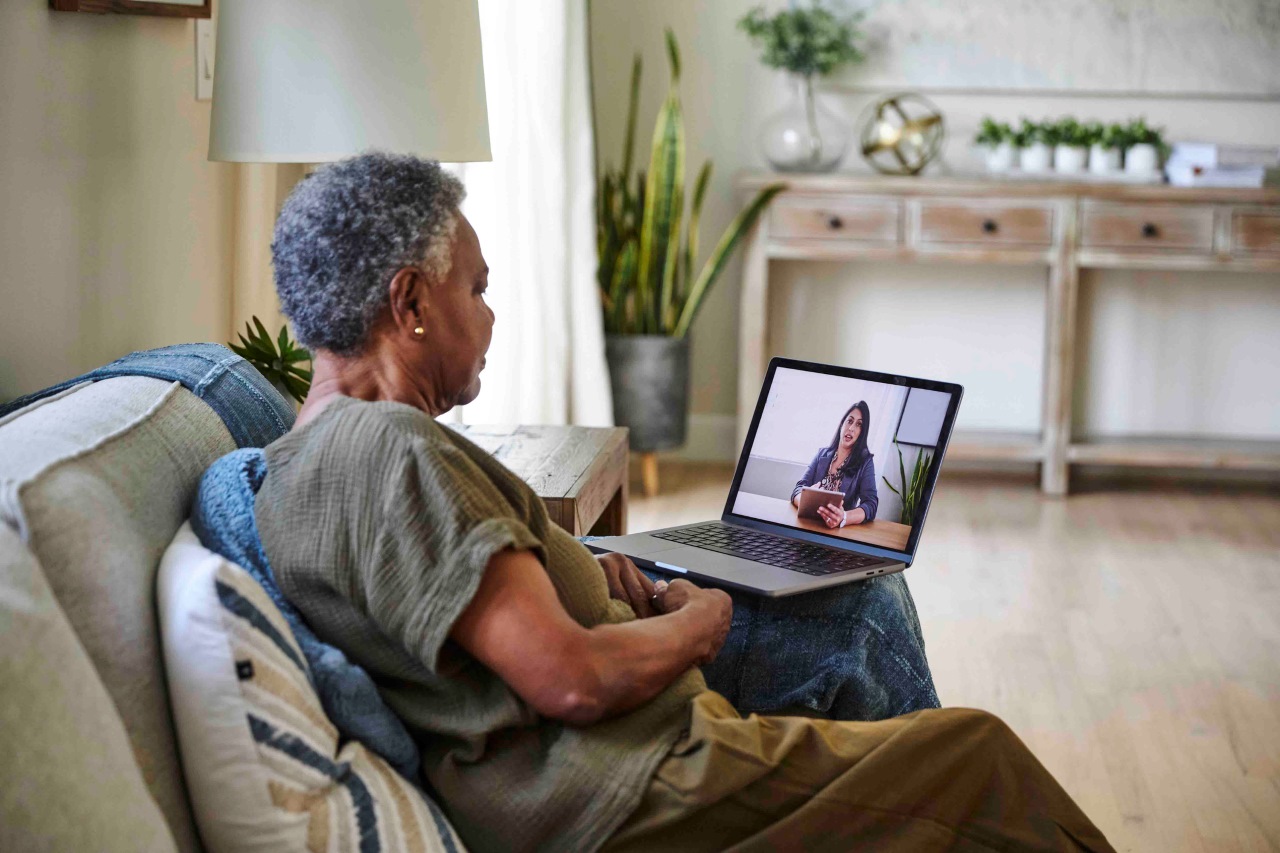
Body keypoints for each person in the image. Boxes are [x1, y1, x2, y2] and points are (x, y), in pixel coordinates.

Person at [252, 153, 1113, 852]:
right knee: (976, 753)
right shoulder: (388, 450)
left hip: (620, 758)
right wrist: (701, 619)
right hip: (632, 784)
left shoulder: (308, 449)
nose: (490, 316)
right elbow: (574, 682)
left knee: (857, 606)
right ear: (409, 303)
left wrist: (581, 569)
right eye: (475, 290)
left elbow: (454, 608)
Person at [792, 400, 879, 529]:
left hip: (836, 532)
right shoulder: (822, 454)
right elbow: (798, 488)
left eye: (859, 425)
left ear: (862, 432)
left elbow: (871, 504)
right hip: (808, 524)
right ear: (841, 424)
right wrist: (805, 501)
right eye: (849, 421)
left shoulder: (865, 462)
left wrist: (844, 517)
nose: (851, 428)